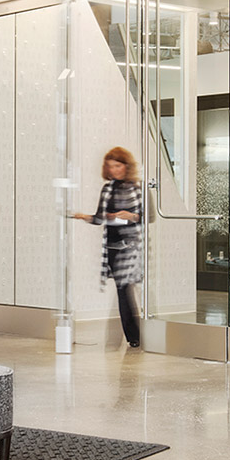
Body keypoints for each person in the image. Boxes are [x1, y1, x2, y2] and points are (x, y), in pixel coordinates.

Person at [71, 147, 144, 349]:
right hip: (112, 247)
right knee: (123, 289)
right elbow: (99, 218)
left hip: (130, 246)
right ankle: (134, 335)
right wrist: (83, 217)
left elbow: (148, 217)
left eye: (118, 165)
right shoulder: (107, 189)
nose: (114, 170)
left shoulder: (137, 189)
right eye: (110, 166)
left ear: (126, 166)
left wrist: (130, 216)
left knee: (124, 289)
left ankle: (134, 336)